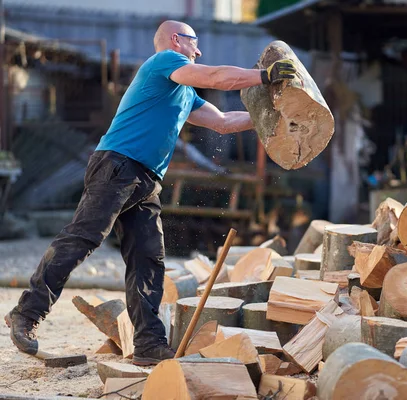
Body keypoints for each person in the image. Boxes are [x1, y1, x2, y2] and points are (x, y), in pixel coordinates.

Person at [4, 20, 296, 366]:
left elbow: (224, 121)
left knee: (148, 259)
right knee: (84, 238)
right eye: (194, 42)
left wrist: (271, 115)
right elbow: (218, 77)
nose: (198, 50)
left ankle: (148, 345)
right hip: (118, 166)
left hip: (144, 179)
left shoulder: (183, 91)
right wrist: (265, 76)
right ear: (176, 40)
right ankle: (26, 314)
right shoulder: (164, 61)